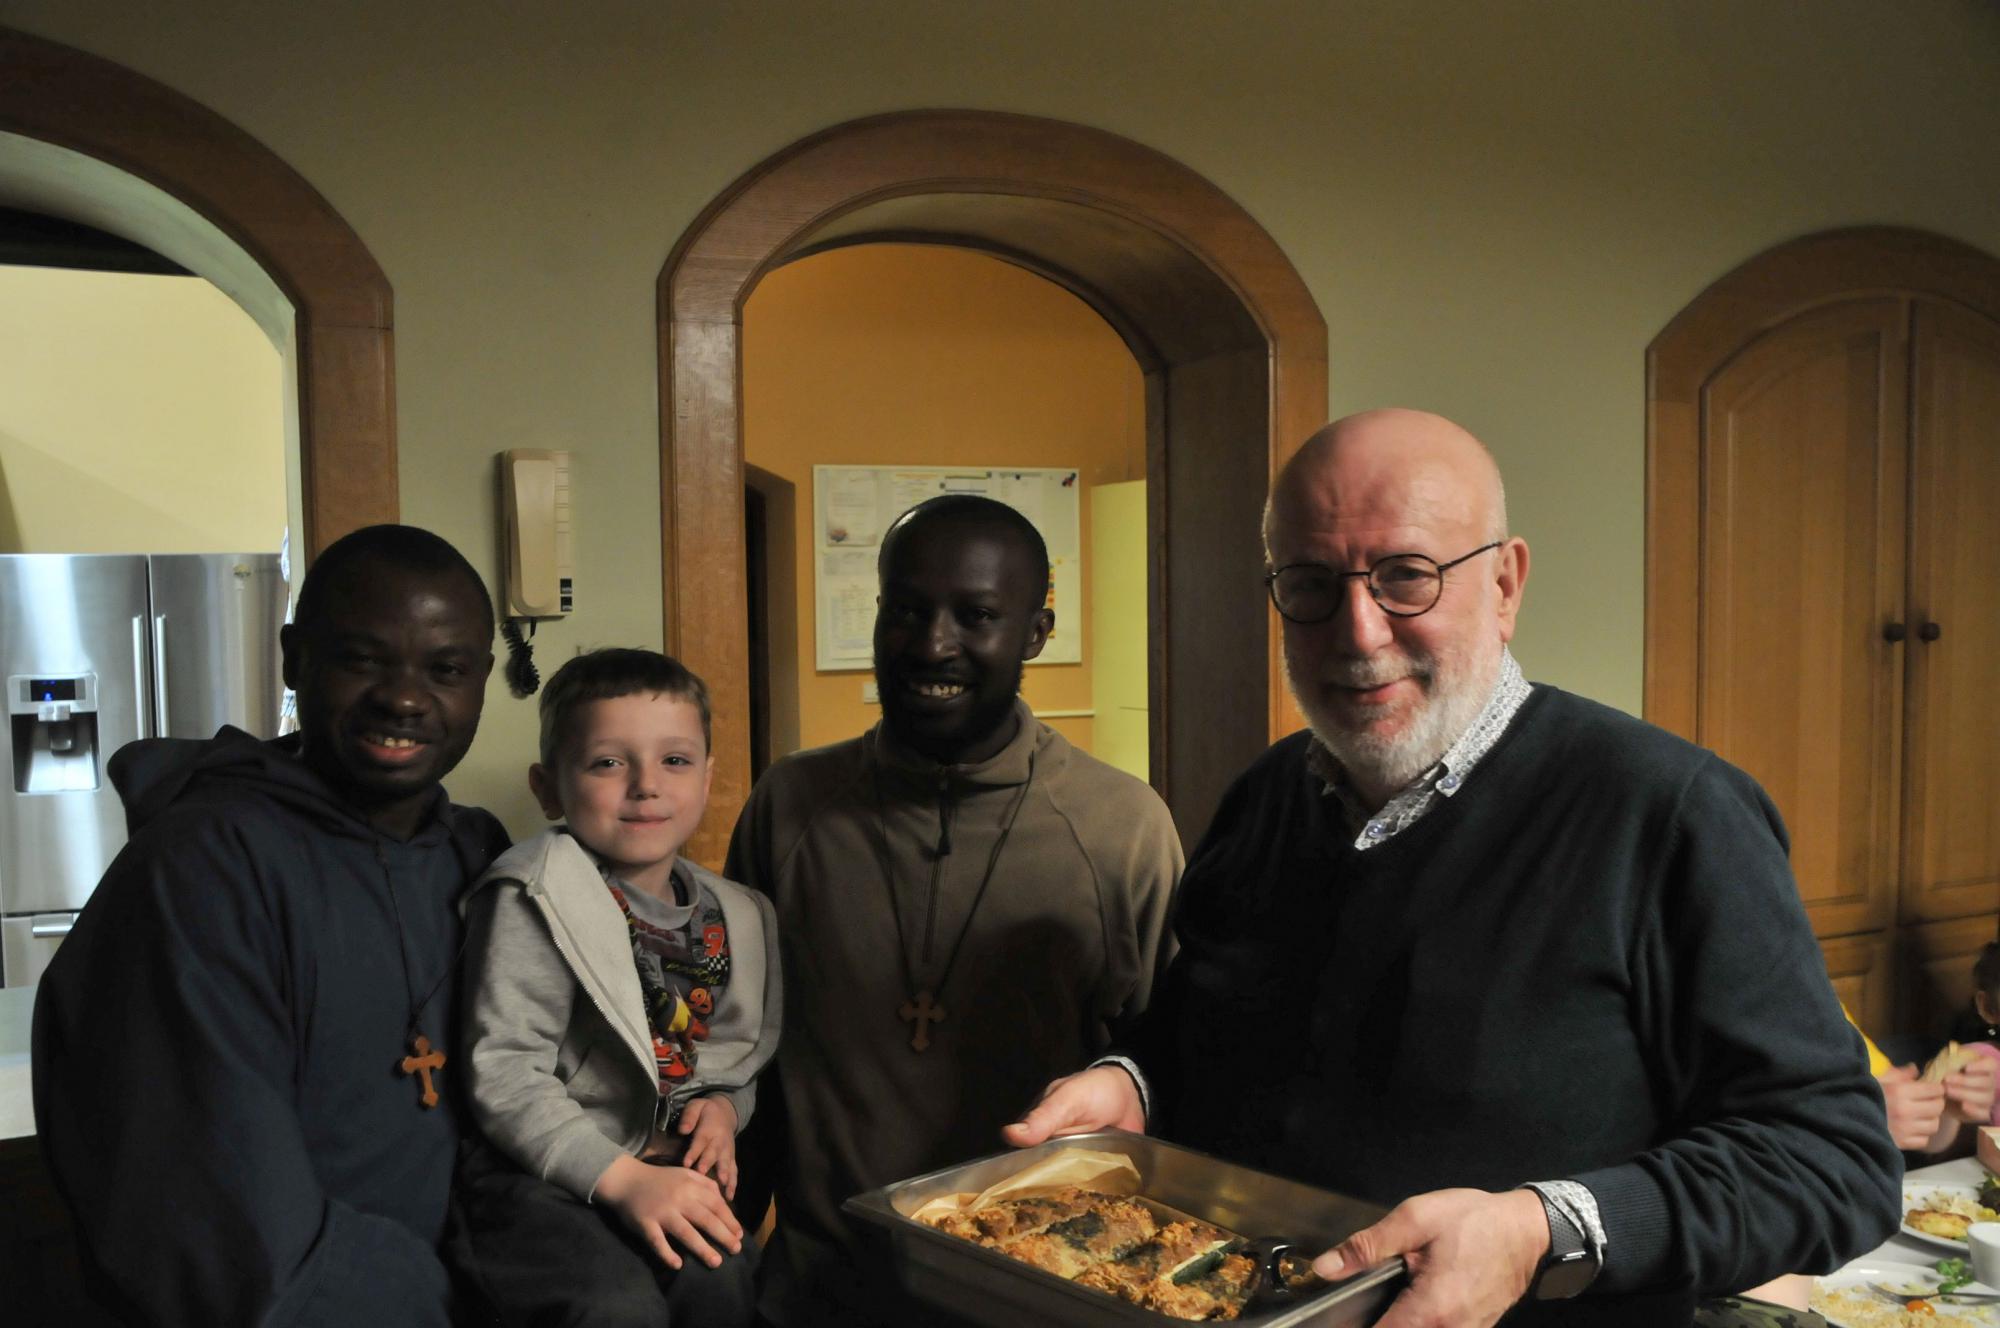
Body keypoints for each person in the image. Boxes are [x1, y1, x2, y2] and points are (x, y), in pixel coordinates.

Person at [1008, 410, 1902, 1328]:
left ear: (1506, 583)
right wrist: (1135, 1083)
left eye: (1406, 576)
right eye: (1311, 584)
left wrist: (1537, 1230)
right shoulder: (1265, 798)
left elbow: (1831, 1162)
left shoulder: (1670, 813)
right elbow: (1208, 1032)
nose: (1358, 631)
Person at [32, 524, 510, 1325]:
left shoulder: (481, 859)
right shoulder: (201, 868)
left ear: (483, 683)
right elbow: (224, 1227)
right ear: (294, 658)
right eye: (362, 659)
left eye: (446, 670)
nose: (404, 696)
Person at [725, 493, 1183, 1326]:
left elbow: (1171, 1069)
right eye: (906, 610)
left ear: (1035, 634)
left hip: (1031, 1299)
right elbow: (740, 1057)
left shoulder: (1121, 829)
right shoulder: (791, 806)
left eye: (975, 615)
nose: (933, 644)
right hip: (819, 1293)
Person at [451, 647, 779, 1326]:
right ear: (548, 786)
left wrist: (722, 1111)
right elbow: (507, 1075)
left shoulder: (738, 914)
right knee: (614, 1306)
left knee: (724, 1278)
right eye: (608, 762)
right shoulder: (536, 895)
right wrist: (623, 1180)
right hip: (538, 1176)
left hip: (661, 1169)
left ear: (709, 776)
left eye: (675, 761)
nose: (646, 785)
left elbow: (733, 1061)